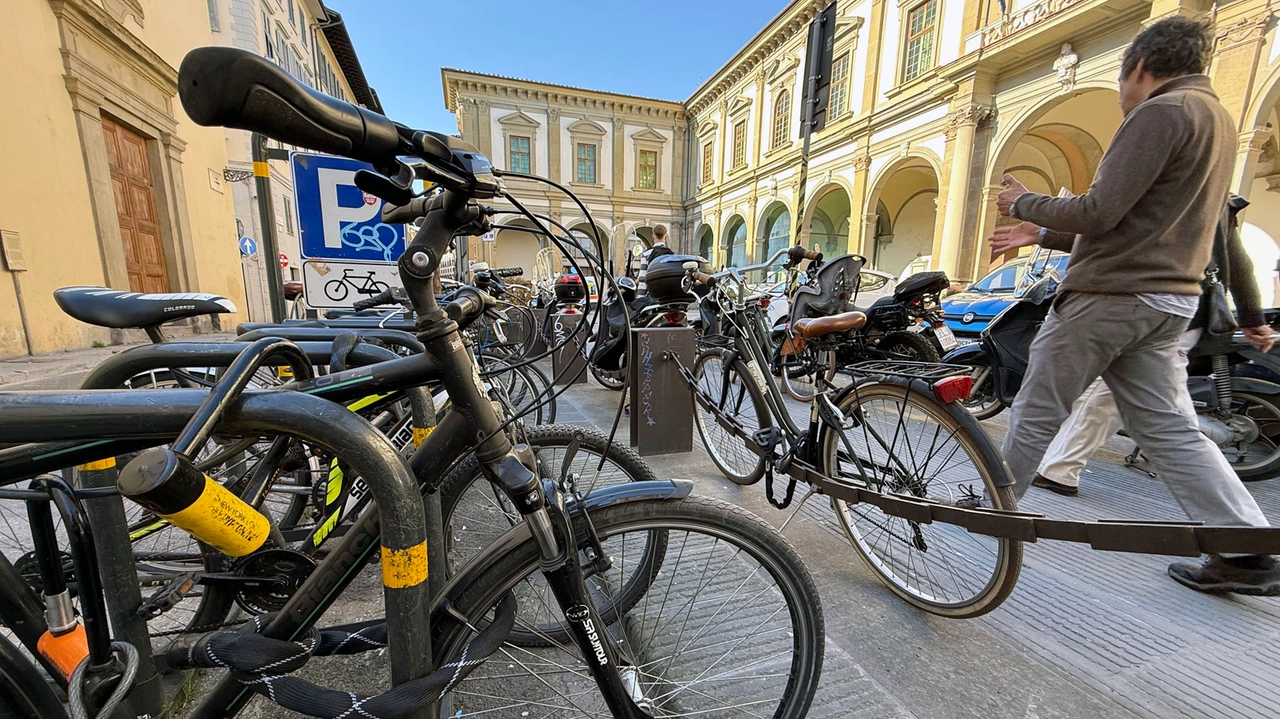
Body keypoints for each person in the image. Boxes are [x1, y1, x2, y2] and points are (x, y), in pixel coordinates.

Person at [988, 17, 1279, 595]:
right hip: (1169, 301)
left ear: (1140, 69)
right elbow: (1149, 226)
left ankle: (988, 509)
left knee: (1039, 403)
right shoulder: (1216, 121)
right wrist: (1041, 236)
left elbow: (1100, 211)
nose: (1122, 99)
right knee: (1171, 429)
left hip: (1110, 298)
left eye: (1123, 84)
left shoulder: (1161, 112)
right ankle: (1245, 549)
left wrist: (1026, 204)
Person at [1033, 196, 1275, 496]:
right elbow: (1238, 264)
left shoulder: (1181, 187)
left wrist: (1042, 233)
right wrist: (1252, 316)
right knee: (1150, 408)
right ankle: (1058, 469)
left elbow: (1119, 235)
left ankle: (1058, 470)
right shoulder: (1212, 192)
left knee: (1119, 400)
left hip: (1159, 313)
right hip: (1181, 315)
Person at [635, 224, 674, 295]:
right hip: (667, 295)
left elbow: (642, 278)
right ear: (665, 237)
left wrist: (640, 297)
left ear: (653, 237)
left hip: (652, 295)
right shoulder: (671, 255)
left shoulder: (646, 254)